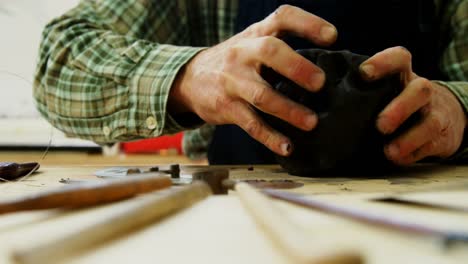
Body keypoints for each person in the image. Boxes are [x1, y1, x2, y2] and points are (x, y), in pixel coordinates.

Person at [34, 0, 468, 167]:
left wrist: (458, 106)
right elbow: (61, 60)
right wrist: (189, 76)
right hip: (236, 211)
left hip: (415, 211)